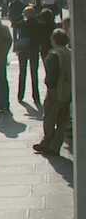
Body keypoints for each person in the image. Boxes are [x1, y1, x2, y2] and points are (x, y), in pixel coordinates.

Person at [34, 29, 72, 157]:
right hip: (68, 91)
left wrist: (49, 86)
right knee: (63, 120)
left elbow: (51, 76)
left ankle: (47, 142)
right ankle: (55, 146)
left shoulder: (54, 54)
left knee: (49, 117)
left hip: (55, 91)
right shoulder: (70, 53)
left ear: (54, 40)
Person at [15, 6, 42, 108]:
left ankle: (20, 95)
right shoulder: (38, 23)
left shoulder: (22, 23)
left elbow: (15, 26)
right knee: (34, 74)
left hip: (23, 50)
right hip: (34, 50)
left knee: (22, 73)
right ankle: (36, 96)